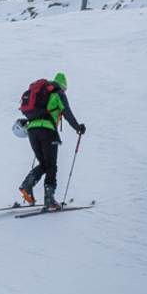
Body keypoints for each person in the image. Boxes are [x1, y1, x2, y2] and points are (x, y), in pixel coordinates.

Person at [18, 72, 86, 210]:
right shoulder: (58, 93)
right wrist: (78, 127)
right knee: (51, 165)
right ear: (63, 86)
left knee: (44, 163)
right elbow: (67, 113)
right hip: (47, 131)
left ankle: (27, 185)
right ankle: (49, 200)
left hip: (31, 130)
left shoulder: (41, 94)